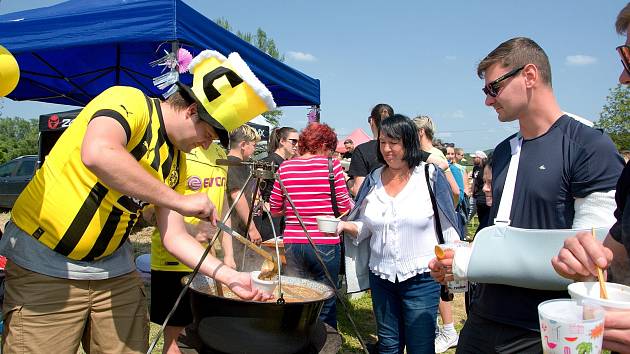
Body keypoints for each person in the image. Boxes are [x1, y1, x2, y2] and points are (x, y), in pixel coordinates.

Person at [0, 50, 274, 353]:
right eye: (208, 134)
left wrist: (229, 276)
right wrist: (178, 200)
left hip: (113, 266)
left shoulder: (177, 162)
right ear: (191, 110)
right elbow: (98, 152)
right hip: (46, 262)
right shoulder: (129, 101)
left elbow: (175, 237)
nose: (206, 144)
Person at [431, 37, 623, 353]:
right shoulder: (504, 151)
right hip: (483, 320)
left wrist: (471, 262)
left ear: (529, 76)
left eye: (494, 88)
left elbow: (594, 259)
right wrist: (459, 262)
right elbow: (498, 234)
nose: (488, 101)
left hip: (544, 328)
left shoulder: (590, 148)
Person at [340, 114, 463, 354]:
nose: (387, 149)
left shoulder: (428, 175)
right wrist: (345, 226)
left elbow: (448, 226)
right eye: (383, 142)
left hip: (421, 277)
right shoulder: (373, 179)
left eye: (393, 142)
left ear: (408, 141)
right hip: (381, 277)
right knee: (388, 345)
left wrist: (453, 264)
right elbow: (368, 225)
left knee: (420, 346)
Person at [552, 4, 630, 352]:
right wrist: (583, 264)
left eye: (628, 58)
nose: (623, 78)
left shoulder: (588, 143)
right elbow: (614, 267)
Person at [146, 143, 235, 354]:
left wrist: (229, 253)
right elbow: (150, 213)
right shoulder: (176, 152)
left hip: (209, 260)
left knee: (204, 331)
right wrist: (189, 230)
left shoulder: (220, 154)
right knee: (173, 342)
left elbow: (222, 207)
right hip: (173, 261)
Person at [269, 122, 353, 330]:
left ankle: (297, 342)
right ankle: (325, 344)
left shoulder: (285, 167)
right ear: (324, 145)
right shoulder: (332, 167)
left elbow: (275, 209)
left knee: (298, 297)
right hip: (325, 243)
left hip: (293, 242)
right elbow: (344, 207)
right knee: (326, 301)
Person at [412, 115, 461, 352]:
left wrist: (440, 210)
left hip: (437, 228)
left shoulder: (434, 156)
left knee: (439, 279)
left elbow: (454, 191)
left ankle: (449, 330)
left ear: (420, 132)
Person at [226, 125, 266, 271]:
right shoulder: (233, 164)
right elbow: (236, 194)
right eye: (253, 145)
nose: (255, 150)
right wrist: (252, 228)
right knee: (240, 269)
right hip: (236, 227)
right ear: (243, 145)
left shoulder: (242, 164)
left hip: (241, 227)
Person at [253, 127, 299, 240]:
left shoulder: (286, 163)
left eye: (298, 142)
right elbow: (253, 189)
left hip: (281, 219)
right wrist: (263, 204)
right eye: (294, 141)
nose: (297, 145)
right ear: (282, 141)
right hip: (267, 220)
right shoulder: (268, 162)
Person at [348, 103, 394, 196]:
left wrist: (347, 180)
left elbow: (359, 190)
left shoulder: (362, 150)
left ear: (372, 121)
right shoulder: (403, 148)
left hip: (374, 205)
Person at [468, 150, 489, 232]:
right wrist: (472, 192)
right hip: (475, 195)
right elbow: (474, 181)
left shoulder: (486, 169)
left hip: (483, 196)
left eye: (475, 157)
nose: (473, 159)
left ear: (480, 158)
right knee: (469, 214)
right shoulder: (475, 168)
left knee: (483, 217)